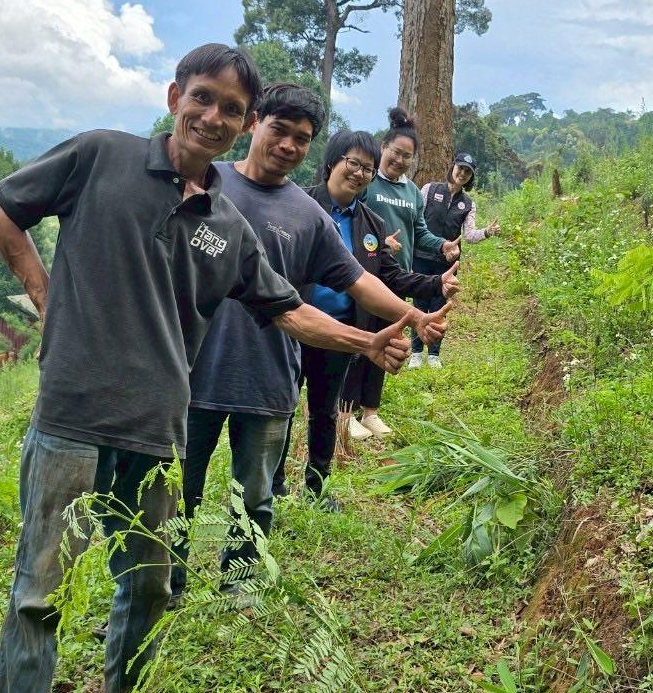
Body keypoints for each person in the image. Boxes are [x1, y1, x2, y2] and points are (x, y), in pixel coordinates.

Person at [0, 45, 412, 693]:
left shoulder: (226, 226)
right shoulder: (100, 157)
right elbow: (1, 207)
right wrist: (47, 297)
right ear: (175, 96)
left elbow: (288, 310)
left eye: (230, 109)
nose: (212, 117)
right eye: (202, 97)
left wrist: (365, 341)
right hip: (72, 418)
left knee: (147, 583)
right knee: (40, 589)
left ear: (242, 124)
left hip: (156, 431)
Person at [171, 85, 452, 605]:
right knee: (175, 493)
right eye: (279, 130)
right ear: (254, 123)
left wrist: (413, 315)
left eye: (301, 138)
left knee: (255, 495)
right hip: (190, 372)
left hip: (269, 374)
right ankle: (163, 588)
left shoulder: (308, 215)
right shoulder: (204, 182)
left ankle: (241, 588)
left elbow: (359, 280)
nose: (288, 145)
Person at [270, 129, 460, 510]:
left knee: (326, 411)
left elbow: (388, 275)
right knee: (282, 408)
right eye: (353, 163)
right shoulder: (298, 204)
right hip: (292, 327)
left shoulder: (370, 224)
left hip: (340, 332)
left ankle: (318, 488)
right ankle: (272, 487)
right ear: (332, 163)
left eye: (367, 169)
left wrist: (434, 282)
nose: (359, 173)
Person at [347, 107, 457, 437]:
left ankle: (370, 412)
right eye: (396, 152)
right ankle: (345, 411)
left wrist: (442, 246)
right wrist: (379, 243)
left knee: (387, 341)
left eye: (407, 156)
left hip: (397, 280)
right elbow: (351, 220)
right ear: (383, 147)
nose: (400, 160)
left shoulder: (412, 192)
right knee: (358, 342)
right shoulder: (367, 183)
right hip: (363, 278)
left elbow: (419, 232)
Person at [408, 151, 499, 369]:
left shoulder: (468, 204)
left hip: (446, 264)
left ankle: (434, 354)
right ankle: (416, 353)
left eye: (468, 172)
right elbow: (415, 219)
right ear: (453, 166)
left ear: (471, 176)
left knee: (439, 306)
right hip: (421, 257)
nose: (463, 173)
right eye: (461, 168)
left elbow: (469, 235)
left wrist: (487, 232)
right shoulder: (429, 189)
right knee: (419, 304)